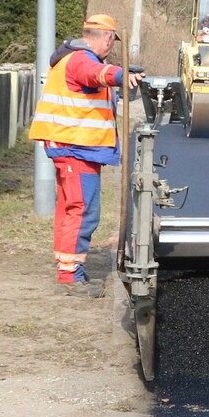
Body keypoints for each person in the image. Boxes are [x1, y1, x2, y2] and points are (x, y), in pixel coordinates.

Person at [28, 14, 135, 286]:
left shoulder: (73, 57)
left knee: (69, 208)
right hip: (75, 147)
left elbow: (94, 83)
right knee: (83, 209)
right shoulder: (81, 60)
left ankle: (68, 267)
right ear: (107, 37)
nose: (111, 47)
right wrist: (120, 75)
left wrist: (119, 80)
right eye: (112, 40)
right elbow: (95, 74)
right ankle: (70, 276)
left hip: (73, 146)